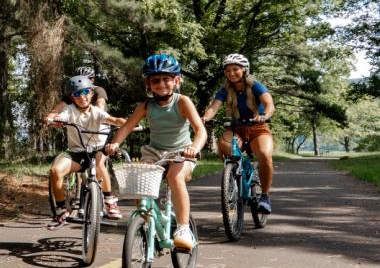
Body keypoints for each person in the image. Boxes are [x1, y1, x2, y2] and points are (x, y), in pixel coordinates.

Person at [104, 52, 208, 250]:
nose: (161, 84)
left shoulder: (182, 102)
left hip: (181, 152)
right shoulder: (146, 105)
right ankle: (146, 223)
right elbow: (126, 127)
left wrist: (193, 148)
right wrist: (114, 144)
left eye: (166, 79)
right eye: (155, 80)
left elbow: (200, 130)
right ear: (149, 84)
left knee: (174, 178)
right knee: (138, 182)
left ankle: (184, 228)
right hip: (154, 152)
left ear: (176, 81)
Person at [43, 74, 126, 228]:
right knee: (55, 170)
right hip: (77, 153)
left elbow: (114, 120)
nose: (82, 97)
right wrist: (54, 120)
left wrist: (128, 124)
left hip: (97, 150)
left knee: (100, 162)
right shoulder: (69, 110)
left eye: (85, 92)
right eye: (77, 94)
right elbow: (59, 116)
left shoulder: (97, 111)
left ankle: (109, 200)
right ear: (72, 97)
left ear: (91, 93)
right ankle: (61, 209)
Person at [201, 53, 276, 214]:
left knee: (264, 154)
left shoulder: (256, 85)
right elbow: (214, 107)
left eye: (235, 69)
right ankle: (234, 176)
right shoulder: (225, 89)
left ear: (245, 70)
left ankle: (264, 196)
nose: (231, 73)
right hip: (236, 128)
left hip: (258, 128)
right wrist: (205, 118)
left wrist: (264, 116)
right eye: (227, 70)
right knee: (224, 146)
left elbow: (269, 104)